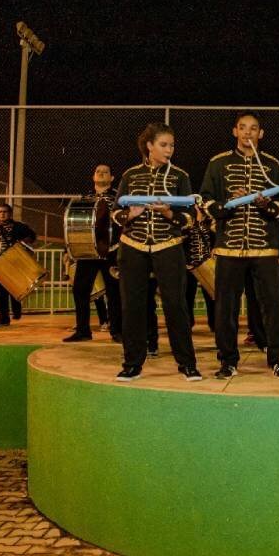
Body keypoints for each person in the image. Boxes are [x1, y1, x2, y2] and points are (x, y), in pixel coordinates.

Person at [200, 111, 279, 380]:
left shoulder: (273, 165)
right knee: (225, 307)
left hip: (264, 247)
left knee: (274, 305)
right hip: (229, 247)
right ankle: (227, 360)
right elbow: (206, 201)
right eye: (243, 128)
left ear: (260, 134)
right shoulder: (218, 163)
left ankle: (278, 359)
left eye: (253, 129)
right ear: (235, 132)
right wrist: (226, 204)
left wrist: (266, 205)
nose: (248, 133)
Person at [112, 123, 201, 381]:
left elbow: (190, 219)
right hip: (133, 246)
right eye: (163, 145)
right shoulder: (130, 175)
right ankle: (132, 364)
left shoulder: (180, 176)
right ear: (149, 146)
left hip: (168, 246)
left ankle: (187, 363)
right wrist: (130, 214)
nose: (169, 150)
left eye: (172, 145)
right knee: (133, 307)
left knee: (176, 305)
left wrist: (169, 213)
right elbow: (116, 213)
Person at [64, 164, 122, 343]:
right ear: (93, 177)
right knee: (80, 289)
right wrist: (70, 249)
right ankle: (83, 330)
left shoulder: (119, 197)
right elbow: (74, 225)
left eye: (106, 171)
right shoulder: (85, 198)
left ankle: (117, 331)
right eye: (98, 171)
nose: (101, 173)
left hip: (112, 251)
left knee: (114, 293)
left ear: (112, 178)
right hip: (88, 251)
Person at [0, 204, 37, 326]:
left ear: (10, 213)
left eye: (5, 212)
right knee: (1, 293)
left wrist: (22, 244)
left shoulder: (19, 227)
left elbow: (32, 236)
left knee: (15, 289)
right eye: (0, 212)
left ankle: (16, 310)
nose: (2, 214)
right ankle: (3, 318)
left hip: (15, 262)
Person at [183, 208, 216, 332]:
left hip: (206, 262)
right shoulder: (185, 221)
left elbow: (215, 238)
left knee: (212, 295)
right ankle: (187, 324)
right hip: (187, 264)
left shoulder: (210, 221)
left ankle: (215, 324)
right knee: (187, 295)